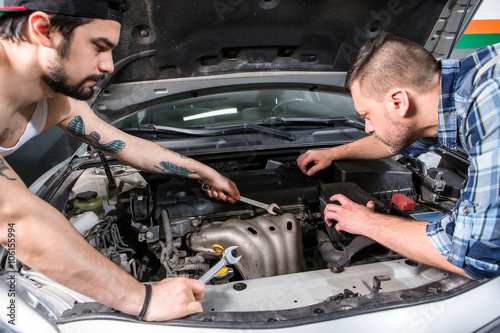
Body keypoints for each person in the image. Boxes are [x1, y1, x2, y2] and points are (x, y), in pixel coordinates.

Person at [0, 0, 241, 322]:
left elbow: (124, 144)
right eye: (98, 47)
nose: (108, 66)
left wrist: (203, 172)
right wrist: (142, 298)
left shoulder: (57, 101)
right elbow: (15, 217)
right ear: (43, 30)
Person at [297, 32, 500, 280]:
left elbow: (477, 257)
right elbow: (394, 143)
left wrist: (368, 223)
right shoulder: (464, 89)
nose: (368, 128)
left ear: (398, 102)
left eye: (367, 115)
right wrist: (332, 153)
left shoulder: (491, 104)